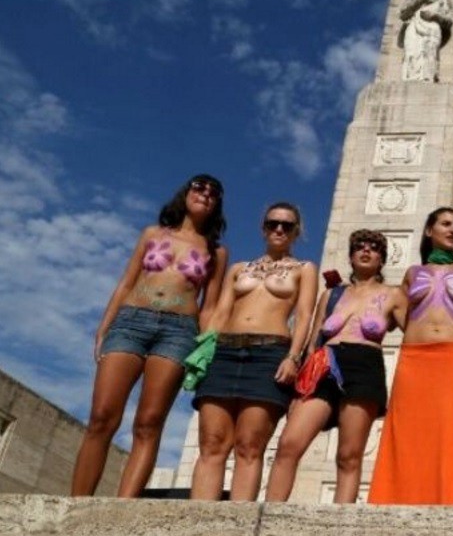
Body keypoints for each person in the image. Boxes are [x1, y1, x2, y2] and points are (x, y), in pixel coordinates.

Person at [72, 175, 228, 497]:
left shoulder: (216, 252)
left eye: (213, 193)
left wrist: (206, 349)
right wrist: (104, 327)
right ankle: (74, 506)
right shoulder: (153, 234)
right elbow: (126, 283)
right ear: (186, 192)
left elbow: (209, 306)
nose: (206, 194)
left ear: (217, 205)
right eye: (200, 187)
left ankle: (122, 510)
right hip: (130, 323)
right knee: (102, 416)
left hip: (178, 331)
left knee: (149, 422)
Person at [189, 202, 317, 501]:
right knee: (211, 443)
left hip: (269, 354)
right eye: (273, 223)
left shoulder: (304, 269)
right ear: (264, 228)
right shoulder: (239, 268)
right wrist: (201, 354)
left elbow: (305, 315)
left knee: (250, 445)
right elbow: (220, 313)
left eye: (287, 225)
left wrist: (294, 357)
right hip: (224, 352)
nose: (279, 229)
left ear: (296, 232)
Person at [265, 229, 403, 503]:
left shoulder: (394, 294)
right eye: (360, 247)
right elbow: (315, 340)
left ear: (382, 258)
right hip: (324, 363)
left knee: (349, 455)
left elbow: (416, 334)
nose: (366, 251)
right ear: (351, 256)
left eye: (374, 248)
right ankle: (268, 516)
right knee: (289, 444)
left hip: (364, 365)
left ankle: (342, 527)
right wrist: (298, 384)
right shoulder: (332, 294)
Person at [368, 207, 453, 504]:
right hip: (415, 360)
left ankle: (451, 503)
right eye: (446, 224)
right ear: (429, 231)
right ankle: (397, 501)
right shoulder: (412, 274)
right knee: (408, 435)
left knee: (452, 436)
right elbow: (398, 316)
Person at [399, 0, 453, 82]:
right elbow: (403, 14)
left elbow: (448, 21)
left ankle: (427, 78)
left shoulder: (442, 0)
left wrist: (434, 16)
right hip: (413, 25)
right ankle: (409, 78)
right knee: (410, 52)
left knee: (428, 51)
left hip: (431, 28)